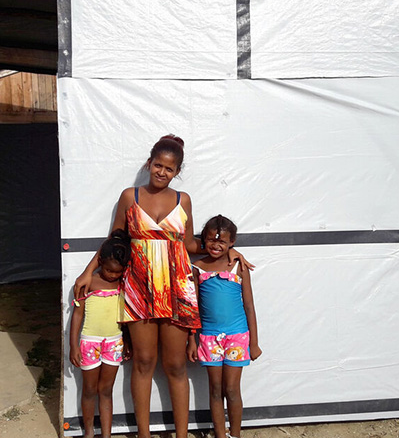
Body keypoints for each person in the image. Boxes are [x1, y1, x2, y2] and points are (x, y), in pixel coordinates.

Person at [73, 135, 251, 438]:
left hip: (177, 289)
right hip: (139, 288)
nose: (162, 173)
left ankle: (181, 435)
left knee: (176, 365)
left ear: (177, 172)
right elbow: (114, 241)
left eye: (169, 169)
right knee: (143, 362)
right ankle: (144, 434)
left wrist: (226, 250)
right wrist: (87, 273)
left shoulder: (184, 200)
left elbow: (190, 243)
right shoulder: (131, 197)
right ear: (149, 163)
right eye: (158, 165)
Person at [188, 215, 261, 438]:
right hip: (209, 338)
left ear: (232, 243)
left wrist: (254, 343)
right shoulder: (197, 267)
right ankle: (220, 434)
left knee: (231, 389)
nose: (216, 245)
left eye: (222, 242)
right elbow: (193, 308)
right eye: (211, 240)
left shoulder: (238, 265)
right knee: (215, 390)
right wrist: (192, 339)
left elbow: (249, 306)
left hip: (237, 337)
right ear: (204, 240)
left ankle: (235, 434)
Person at [69, 230, 132, 438]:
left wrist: (128, 342)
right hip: (90, 343)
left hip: (114, 342)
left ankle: (106, 434)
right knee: (89, 390)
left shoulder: (123, 284)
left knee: (106, 390)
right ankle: (88, 432)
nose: (112, 275)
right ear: (100, 261)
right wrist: (74, 345)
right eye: (108, 270)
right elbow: (77, 315)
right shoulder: (89, 283)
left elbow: (126, 318)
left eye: (117, 272)